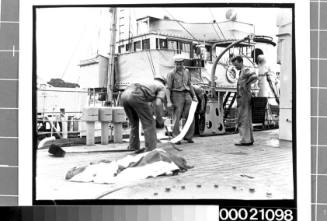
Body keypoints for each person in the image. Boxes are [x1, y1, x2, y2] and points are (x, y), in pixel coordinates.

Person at [121, 76, 166, 152]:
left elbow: (148, 104)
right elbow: (158, 104)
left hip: (125, 95)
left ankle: (133, 146)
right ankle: (151, 149)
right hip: (136, 94)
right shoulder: (162, 86)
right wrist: (159, 119)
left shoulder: (148, 82)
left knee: (134, 123)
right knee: (149, 123)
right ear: (164, 82)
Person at [166, 55, 198, 144]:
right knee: (177, 116)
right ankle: (176, 137)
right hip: (176, 95)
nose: (179, 65)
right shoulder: (171, 73)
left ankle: (189, 136)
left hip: (187, 94)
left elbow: (189, 84)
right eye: (177, 64)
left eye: (180, 63)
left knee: (190, 115)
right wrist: (168, 101)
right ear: (174, 64)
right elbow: (168, 88)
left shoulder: (187, 71)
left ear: (183, 63)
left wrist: (194, 96)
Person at [231, 56, 258, 146]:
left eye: (236, 65)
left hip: (244, 97)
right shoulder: (242, 71)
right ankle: (249, 139)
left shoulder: (245, 70)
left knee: (242, 118)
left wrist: (246, 83)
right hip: (243, 97)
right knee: (246, 118)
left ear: (240, 62)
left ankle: (244, 140)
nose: (236, 67)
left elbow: (254, 76)